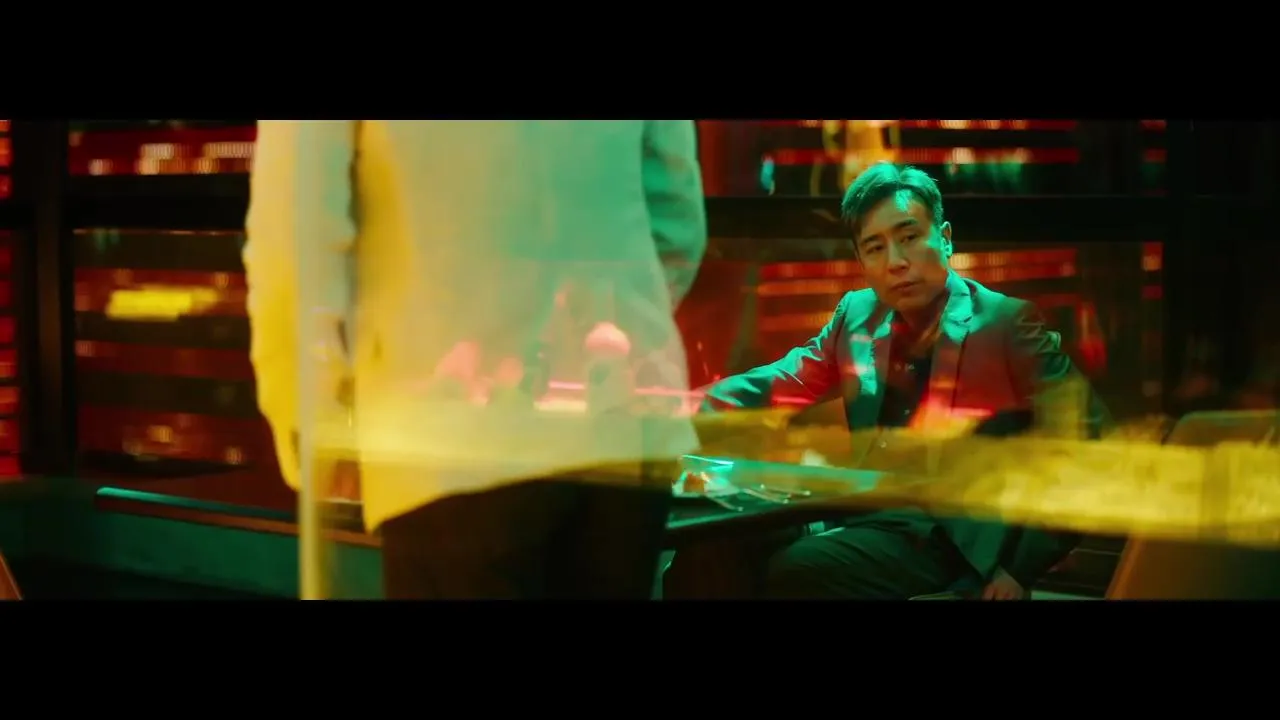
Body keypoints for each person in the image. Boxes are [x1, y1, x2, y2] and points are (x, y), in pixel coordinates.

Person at [244, 120, 707, 599]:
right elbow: (675, 219)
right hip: (621, 423)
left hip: (449, 429)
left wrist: (314, 418)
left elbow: (295, 240)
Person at [666, 162, 1109, 600]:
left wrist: (1019, 568)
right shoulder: (857, 314)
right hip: (862, 516)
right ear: (861, 261)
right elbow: (784, 380)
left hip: (949, 539)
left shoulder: (1004, 323)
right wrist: (678, 410)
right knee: (710, 548)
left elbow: (1091, 441)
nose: (896, 262)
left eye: (909, 237)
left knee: (797, 571)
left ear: (945, 238)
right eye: (875, 248)